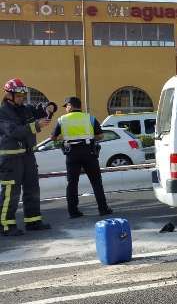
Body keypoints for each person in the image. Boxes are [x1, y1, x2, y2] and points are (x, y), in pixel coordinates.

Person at [0, 78, 52, 236]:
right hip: (11, 158)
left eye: (23, 95)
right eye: (19, 96)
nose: (22, 98)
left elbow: (39, 110)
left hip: (28, 156)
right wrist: (36, 126)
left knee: (32, 189)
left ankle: (33, 221)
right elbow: (14, 131)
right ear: (9, 95)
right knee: (11, 192)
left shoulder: (25, 109)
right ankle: (6, 225)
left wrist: (49, 107)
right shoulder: (2, 113)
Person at [51, 97, 113, 218]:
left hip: (72, 153)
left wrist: (65, 138)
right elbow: (100, 136)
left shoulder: (62, 120)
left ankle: (73, 212)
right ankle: (103, 209)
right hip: (88, 152)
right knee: (96, 182)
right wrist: (89, 138)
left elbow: (53, 137)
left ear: (70, 106)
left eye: (66, 107)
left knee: (72, 183)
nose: (66, 109)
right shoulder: (90, 118)